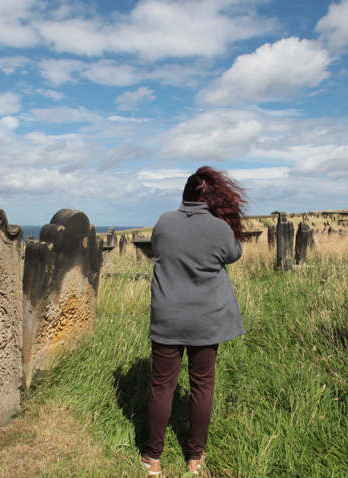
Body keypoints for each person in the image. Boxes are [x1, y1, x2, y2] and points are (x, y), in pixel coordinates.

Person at [140, 166, 248, 477]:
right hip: (207, 320)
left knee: (161, 386)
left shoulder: (164, 222)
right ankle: (195, 458)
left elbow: (159, 249)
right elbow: (234, 254)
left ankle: (152, 458)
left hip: (167, 318)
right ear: (215, 198)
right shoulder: (219, 228)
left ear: (185, 195)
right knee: (202, 386)